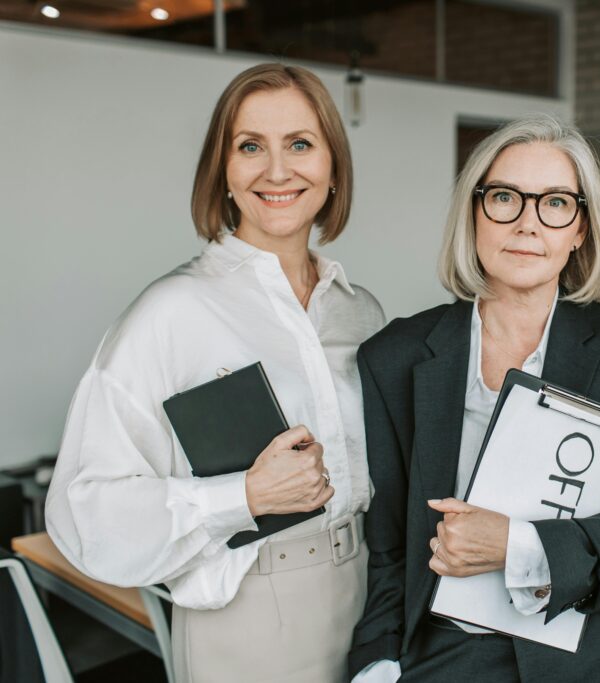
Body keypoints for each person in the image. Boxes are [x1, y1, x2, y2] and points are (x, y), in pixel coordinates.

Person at [45, 63, 384, 683]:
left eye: (301, 145)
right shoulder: (171, 312)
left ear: (333, 169)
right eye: (250, 146)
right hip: (247, 609)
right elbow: (82, 509)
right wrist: (244, 497)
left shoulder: (359, 312)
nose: (277, 171)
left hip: (367, 593)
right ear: (222, 173)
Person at [348, 114, 600, 683]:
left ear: (580, 228)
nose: (528, 224)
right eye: (505, 197)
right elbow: (388, 547)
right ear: (474, 214)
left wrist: (519, 544)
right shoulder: (396, 356)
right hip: (446, 658)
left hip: (597, 661)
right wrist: (378, 660)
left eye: (555, 203)